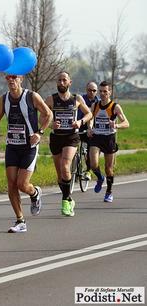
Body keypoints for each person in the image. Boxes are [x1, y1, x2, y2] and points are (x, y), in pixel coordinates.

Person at [0, 74, 52, 233]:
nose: (11, 80)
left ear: (21, 79)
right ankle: (20, 220)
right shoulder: (4, 99)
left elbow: (48, 114)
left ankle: (35, 192)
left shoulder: (31, 96)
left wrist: (40, 132)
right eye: (8, 77)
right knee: (11, 184)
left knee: (22, 184)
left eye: (14, 77)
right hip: (12, 145)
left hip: (29, 146)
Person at [45, 71, 92, 217]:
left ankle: (65, 201)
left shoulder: (76, 99)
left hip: (71, 137)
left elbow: (89, 113)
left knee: (65, 165)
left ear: (69, 82)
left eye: (64, 80)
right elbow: (42, 116)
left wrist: (80, 121)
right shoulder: (51, 99)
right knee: (60, 176)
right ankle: (69, 199)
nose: (61, 83)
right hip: (56, 138)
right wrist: (51, 124)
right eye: (59, 80)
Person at [87, 81, 129, 203]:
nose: (102, 94)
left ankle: (109, 191)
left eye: (105, 91)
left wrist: (116, 125)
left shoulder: (115, 106)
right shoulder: (95, 105)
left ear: (110, 92)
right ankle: (100, 178)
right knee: (93, 164)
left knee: (109, 168)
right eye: (100, 91)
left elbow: (126, 123)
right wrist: (90, 128)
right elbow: (91, 119)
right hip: (96, 137)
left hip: (109, 138)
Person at [78, 81, 100, 180]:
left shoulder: (99, 102)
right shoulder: (81, 99)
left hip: (93, 129)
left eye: (94, 90)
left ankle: (88, 171)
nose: (91, 92)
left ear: (97, 91)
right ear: (86, 90)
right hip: (80, 126)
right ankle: (74, 166)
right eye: (89, 90)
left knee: (90, 151)